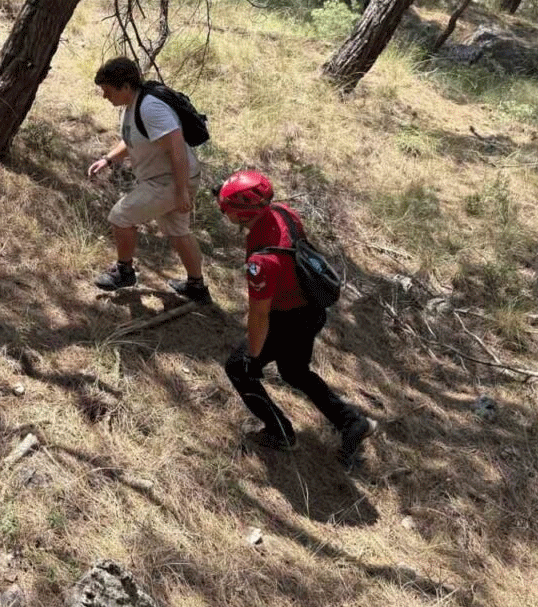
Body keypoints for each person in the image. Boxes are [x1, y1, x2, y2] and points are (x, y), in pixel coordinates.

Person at [215, 170, 376, 469]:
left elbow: (259, 315)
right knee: (295, 371)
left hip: (286, 319)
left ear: (241, 214)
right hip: (312, 312)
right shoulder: (282, 212)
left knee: (239, 369)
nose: (225, 214)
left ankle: (280, 432)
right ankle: (352, 422)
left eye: (228, 210)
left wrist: (252, 355)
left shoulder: (261, 263)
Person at [87, 57, 208, 303]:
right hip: (173, 178)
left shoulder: (150, 107)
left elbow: (176, 148)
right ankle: (197, 287)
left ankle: (124, 271)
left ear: (125, 86)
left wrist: (182, 191)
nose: (104, 96)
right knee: (178, 230)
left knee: (120, 217)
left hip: (171, 180)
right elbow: (133, 138)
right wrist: (109, 159)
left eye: (107, 90)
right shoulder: (135, 104)